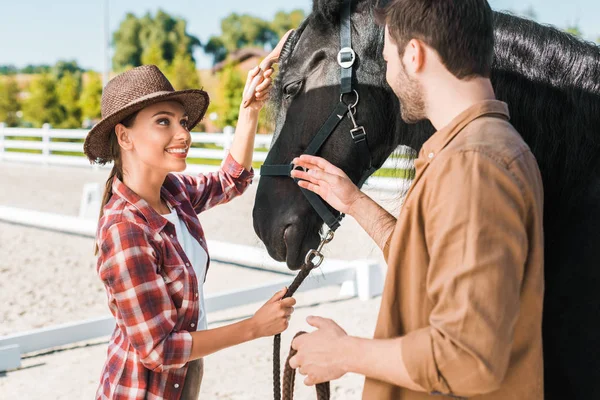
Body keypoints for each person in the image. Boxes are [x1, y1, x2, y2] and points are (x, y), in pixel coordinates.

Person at [288, 1, 545, 399]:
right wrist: (354, 202)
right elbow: (426, 264)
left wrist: (344, 353)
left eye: (389, 58)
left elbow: (466, 358)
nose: (389, 75)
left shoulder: (474, 165)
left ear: (414, 54)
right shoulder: (471, 151)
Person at [85, 64, 296, 400]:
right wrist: (255, 327)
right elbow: (158, 351)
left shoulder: (173, 193)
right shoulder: (125, 229)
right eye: (163, 121)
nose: (183, 134)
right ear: (125, 136)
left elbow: (230, 180)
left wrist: (250, 111)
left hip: (182, 384)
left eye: (182, 122)